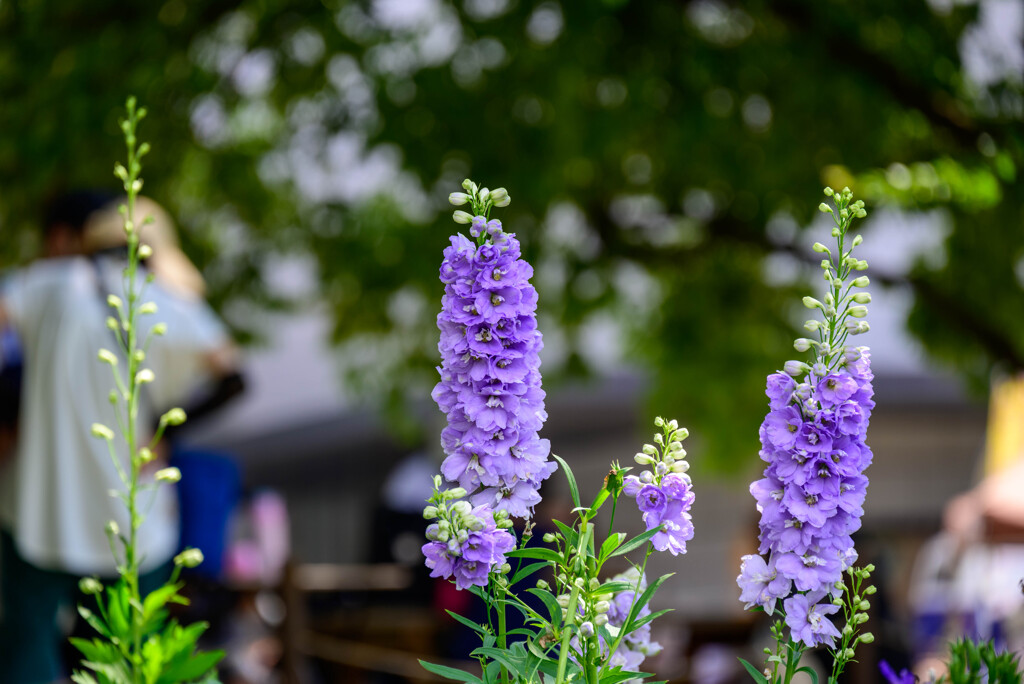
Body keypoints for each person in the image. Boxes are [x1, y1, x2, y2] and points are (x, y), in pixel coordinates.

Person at [0, 192, 240, 683]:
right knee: (131, 656)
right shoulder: (170, 303)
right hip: (134, 514)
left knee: (28, 645)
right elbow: (234, 375)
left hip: (38, 506)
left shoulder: (45, 286)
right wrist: (165, 432)